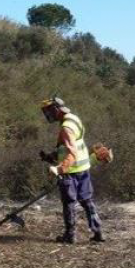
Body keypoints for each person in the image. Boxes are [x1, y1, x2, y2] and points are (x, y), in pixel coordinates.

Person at [39, 97, 104, 244]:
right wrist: (52, 156)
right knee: (87, 200)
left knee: (69, 202)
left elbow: (72, 152)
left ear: (56, 110)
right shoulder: (74, 119)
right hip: (83, 168)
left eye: (49, 111)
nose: (48, 115)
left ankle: (70, 235)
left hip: (70, 171)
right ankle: (98, 232)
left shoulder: (66, 127)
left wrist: (59, 169)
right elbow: (69, 146)